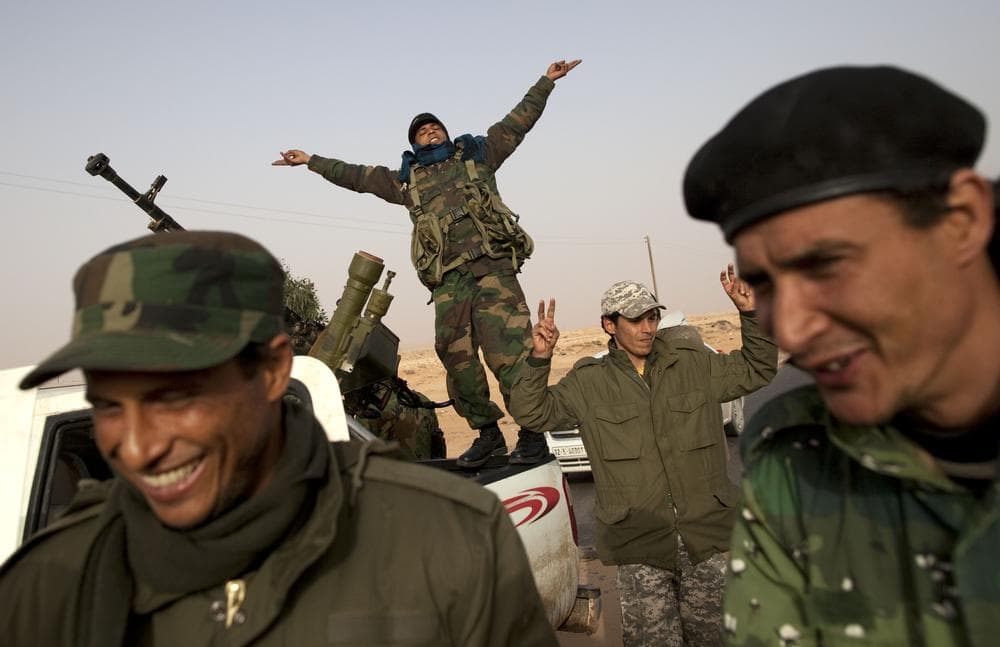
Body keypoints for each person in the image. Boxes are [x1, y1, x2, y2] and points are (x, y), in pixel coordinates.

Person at [0, 230, 558, 647]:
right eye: (109, 405)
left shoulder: (447, 538)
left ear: (270, 374)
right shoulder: (49, 581)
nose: (141, 446)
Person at [683, 65, 1000, 645]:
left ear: (963, 221)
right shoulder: (795, 463)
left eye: (826, 265)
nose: (796, 330)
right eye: (766, 284)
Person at [273, 59, 581, 468]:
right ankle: (487, 434)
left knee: (511, 354)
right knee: (455, 357)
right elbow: (356, 176)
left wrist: (546, 81)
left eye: (434, 126)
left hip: (493, 271)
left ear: (446, 132)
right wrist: (310, 160)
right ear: (414, 143)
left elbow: (517, 122)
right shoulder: (406, 181)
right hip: (449, 282)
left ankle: (531, 436)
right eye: (421, 131)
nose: (430, 131)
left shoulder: (478, 156)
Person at [508, 272, 778, 646]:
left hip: (706, 538)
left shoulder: (693, 365)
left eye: (651, 317)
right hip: (640, 548)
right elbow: (531, 413)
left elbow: (757, 368)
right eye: (635, 320)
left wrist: (750, 315)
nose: (647, 328)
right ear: (609, 324)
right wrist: (540, 358)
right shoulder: (590, 382)